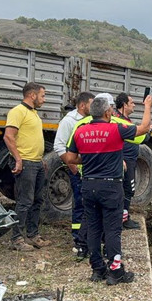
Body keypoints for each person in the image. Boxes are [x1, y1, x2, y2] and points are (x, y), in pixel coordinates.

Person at [63, 93, 152, 285]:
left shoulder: (80, 131)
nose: (112, 112)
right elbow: (144, 128)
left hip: (88, 184)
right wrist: (147, 106)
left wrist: (88, 159)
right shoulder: (115, 129)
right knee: (112, 230)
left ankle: (97, 269)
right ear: (106, 112)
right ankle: (116, 271)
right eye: (110, 110)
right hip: (111, 186)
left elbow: (70, 158)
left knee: (93, 228)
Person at [4, 82, 50, 251]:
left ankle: (32, 235)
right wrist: (18, 159)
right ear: (32, 95)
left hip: (36, 162)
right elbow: (8, 137)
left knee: (37, 200)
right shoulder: (18, 111)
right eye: (42, 95)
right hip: (26, 163)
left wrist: (40, 158)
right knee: (24, 201)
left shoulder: (34, 113)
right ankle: (16, 239)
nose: (44, 99)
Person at [53, 91, 95, 259]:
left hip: (91, 173)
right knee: (80, 205)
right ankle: (78, 240)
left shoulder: (91, 120)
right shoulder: (69, 121)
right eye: (92, 104)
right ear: (82, 105)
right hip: (79, 172)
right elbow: (59, 146)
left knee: (90, 207)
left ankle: (89, 237)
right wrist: (72, 166)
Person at [113, 93, 152, 230]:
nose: (134, 105)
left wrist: (148, 131)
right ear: (124, 105)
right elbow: (139, 138)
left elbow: (140, 137)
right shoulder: (120, 122)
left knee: (128, 191)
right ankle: (123, 221)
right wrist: (148, 129)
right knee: (125, 190)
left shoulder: (126, 121)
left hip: (129, 161)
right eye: (131, 102)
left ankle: (123, 218)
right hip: (124, 162)